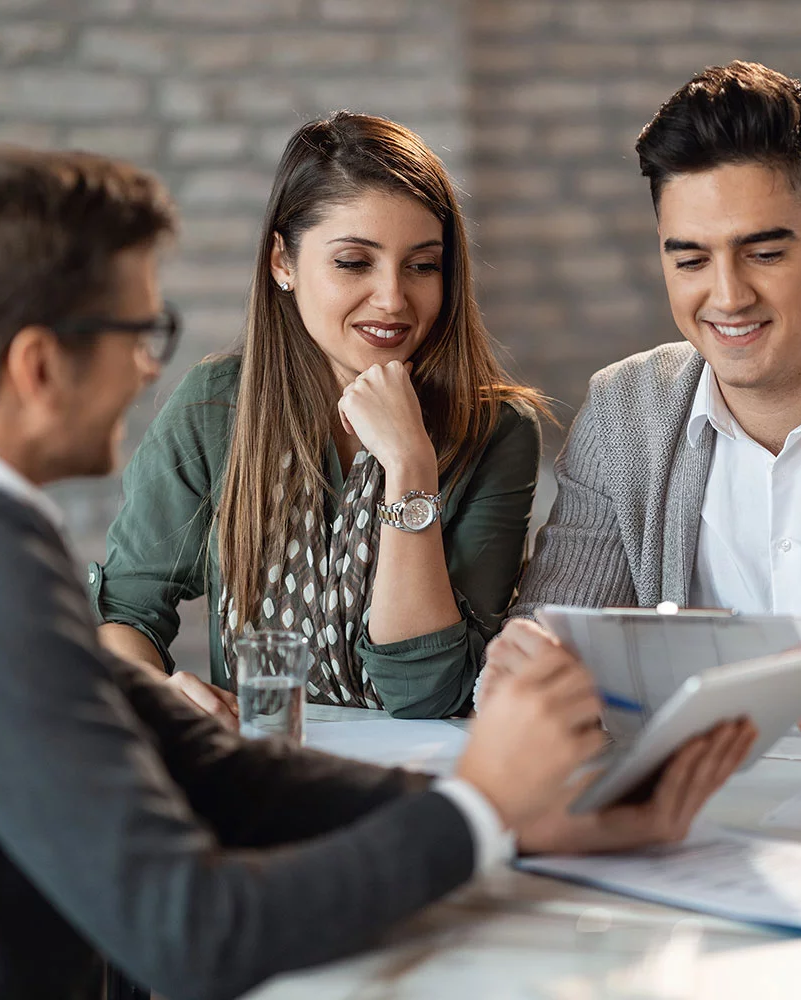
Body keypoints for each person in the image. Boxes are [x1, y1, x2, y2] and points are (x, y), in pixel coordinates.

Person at [0, 145, 755, 999]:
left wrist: (529, 817)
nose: (149, 366)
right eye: (140, 333)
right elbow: (194, 932)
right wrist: (483, 807)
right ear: (38, 365)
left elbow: (213, 767)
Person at [485, 60, 801, 769]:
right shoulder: (625, 415)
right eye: (691, 260)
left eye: (763, 252)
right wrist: (529, 671)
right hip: (689, 834)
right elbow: (548, 642)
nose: (727, 296)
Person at [91, 112, 547, 723]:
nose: (392, 298)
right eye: (355, 262)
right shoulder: (216, 406)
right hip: (269, 768)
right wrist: (152, 692)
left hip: (426, 771)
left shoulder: (497, 430)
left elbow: (428, 690)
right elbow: (127, 609)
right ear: (283, 261)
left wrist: (411, 467)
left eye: (422, 265)